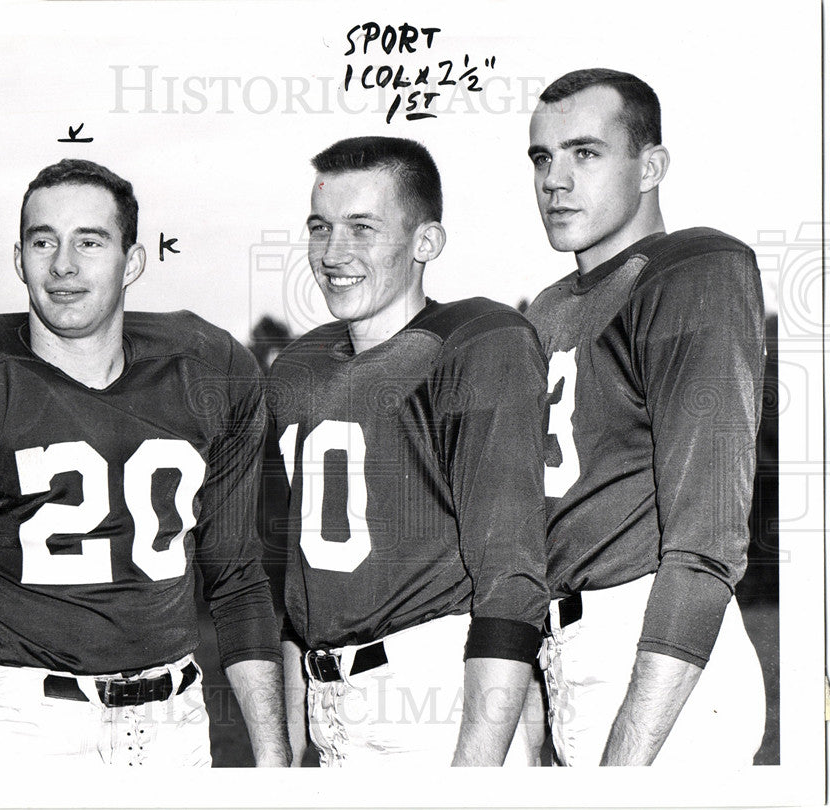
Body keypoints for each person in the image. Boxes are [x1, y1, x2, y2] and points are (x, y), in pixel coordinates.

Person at [0, 158, 290, 769]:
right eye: (42, 241)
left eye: (89, 242)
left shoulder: (209, 371)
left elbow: (236, 577)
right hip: (32, 724)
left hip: (178, 722)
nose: (63, 265)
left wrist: (274, 759)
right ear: (18, 259)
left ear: (132, 262)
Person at [268, 136, 549, 767]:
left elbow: (511, 581)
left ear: (426, 243)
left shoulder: (477, 342)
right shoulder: (298, 368)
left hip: (437, 699)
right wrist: (285, 755)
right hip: (330, 707)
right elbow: (290, 591)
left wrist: (472, 775)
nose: (333, 253)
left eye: (362, 229)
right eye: (320, 228)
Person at [524, 68, 766, 766]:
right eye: (543, 158)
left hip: (657, 657)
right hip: (568, 652)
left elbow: (707, 543)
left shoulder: (691, 270)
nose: (555, 180)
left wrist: (627, 762)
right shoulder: (550, 306)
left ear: (650, 166)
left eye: (585, 153)